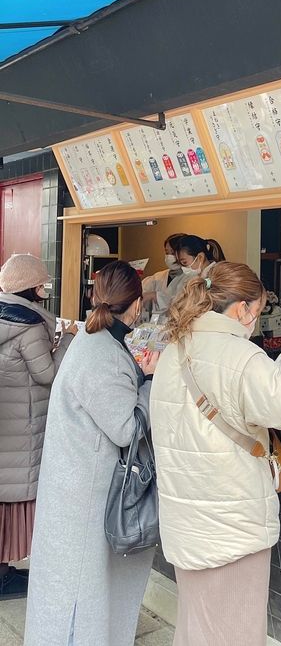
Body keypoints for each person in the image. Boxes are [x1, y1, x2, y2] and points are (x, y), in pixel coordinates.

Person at [150, 262, 281, 646]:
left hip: (185, 518)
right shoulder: (240, 356)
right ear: (242, 308)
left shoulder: (176, 346)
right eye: (257, 311)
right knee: (234, 632)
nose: (255, 320)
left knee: (197, 628)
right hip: (230, 523)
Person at [25, 261, 159, 646]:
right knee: (81, 589)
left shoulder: (91, 338)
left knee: (70, 583)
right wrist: (150, 383)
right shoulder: (103, 352)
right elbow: (127, 428)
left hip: (73, 478)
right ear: (134, 305)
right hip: (85, 488)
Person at [0, 254, 76, 600]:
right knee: (12, 502)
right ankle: (3, 578)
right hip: (22, 427)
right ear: (32, 287)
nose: (45, 288)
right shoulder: (29, 325)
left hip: (6, 423)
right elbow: (48, 375)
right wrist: (69, 340)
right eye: (42, 283)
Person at [166, 234, 226, 302]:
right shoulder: (199, 276)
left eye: (184, 263)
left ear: (200, 257)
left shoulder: (214, 277)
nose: (183, 268)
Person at [142, 232, 185, 318]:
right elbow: (142, 289)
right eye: (166, 252)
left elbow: (181, 302)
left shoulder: (191, 277)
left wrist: (155, 296)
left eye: (172, 253)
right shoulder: (158, 276)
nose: (169, 256)